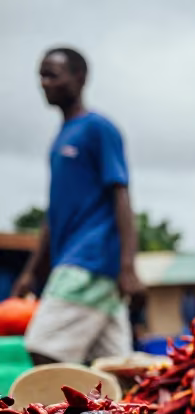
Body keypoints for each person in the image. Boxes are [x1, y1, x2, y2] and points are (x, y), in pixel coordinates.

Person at [14, 47, 142, 365]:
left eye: (52, 75)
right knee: (115, 369)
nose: (44, 83)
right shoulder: (61, 138)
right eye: (40, 75)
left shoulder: (98, 129)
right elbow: (54, 212)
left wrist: (128, 266)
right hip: (74, 261)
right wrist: (32, 270)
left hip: (89, 259)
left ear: (79, 78)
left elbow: (121, 196)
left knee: (45, 347)